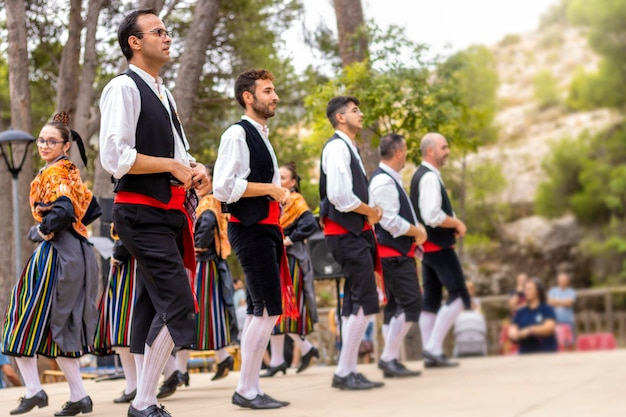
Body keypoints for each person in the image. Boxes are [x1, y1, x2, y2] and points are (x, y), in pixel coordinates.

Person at [99, 9, 210, 417]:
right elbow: (115, 157)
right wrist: (170, 166)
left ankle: (143, 399)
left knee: (150, 307)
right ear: (134, 41)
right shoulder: (122, 88)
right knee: (178, 302)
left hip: (169, 213)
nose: (166, 37)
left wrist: (196, 169)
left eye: (166, 31)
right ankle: (143, 402)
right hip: (140, 213)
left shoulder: (164, 92)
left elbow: (178, 153)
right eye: (158, 31)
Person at [2, 112, 101, 416]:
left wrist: (43, 230)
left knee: (20, 322)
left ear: (66, 145)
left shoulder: (55, 174)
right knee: (58, 325)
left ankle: (34, 391)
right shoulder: (68, 172)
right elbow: (91, 207)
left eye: (51, 141)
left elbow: (65, 209)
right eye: (42, 140)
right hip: (76, 251)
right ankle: (79, 396)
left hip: (57, 253)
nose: (44, 145)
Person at [213, 68, 292, 410]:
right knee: (266, 310)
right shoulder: (236, 134)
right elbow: (223, 187)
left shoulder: (259, 134)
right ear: (248, 96)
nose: (275, 96)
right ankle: (246, 389)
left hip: (265, 226)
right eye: (268, 90)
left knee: (263, 310)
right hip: (251, 227)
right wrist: (273, 190)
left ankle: (249, 387)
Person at [319, 95, 384, 391]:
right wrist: (370, 212)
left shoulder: (349, 148)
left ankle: (348, 369)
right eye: (355, 110)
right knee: (364, 302)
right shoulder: (336, 147)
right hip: (346, 234)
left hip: (352, 234)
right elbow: (339, 196)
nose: (361, 114)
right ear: (341, 117)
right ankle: (345, 372)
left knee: (354, 303)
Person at [157, 164, 237, 399]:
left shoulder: (208, 204)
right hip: (208, 263)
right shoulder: (209, 202)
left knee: (196, 312)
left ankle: (183, 370)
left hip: (203, 263)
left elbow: (204, 230)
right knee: (201, 314)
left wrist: (195, 247)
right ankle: (215, 360)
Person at [410, 132, 470, 368]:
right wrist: (456, 223)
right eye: (444, 147)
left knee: (431, 300)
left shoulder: (423, 176)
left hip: (429, 247)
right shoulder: (429, 178)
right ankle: (433, 347)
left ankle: (428, 352)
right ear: (430, 151)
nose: (448, 151)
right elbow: (432, 215)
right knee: (459, 294)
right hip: (438, 246)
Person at [369, 133, 427, 378]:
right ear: (399, 152)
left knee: (394, 305)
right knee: (412, 302)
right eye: (406, 150)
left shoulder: (390, 179)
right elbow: (390, 221)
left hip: (396, 251)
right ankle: (388, 358)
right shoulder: (383, 182)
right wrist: (417, 232)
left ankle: (391, 360)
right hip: (392, 253)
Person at [262, 162, 320, 377]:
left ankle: (289, 355)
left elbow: (310, 224)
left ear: (294, 182)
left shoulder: (295, 200)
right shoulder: (277, 200)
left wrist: (289, 239)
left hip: (291, 259)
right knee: (276, 306)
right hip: (277, 258)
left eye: (285, 177)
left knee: (286, 305)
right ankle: (290, 355)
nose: (281, 181)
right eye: (278, 177)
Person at [93, 225, 139, 404]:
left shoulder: (129, 202)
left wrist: (117, 254)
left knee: (123, 328)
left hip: (128, 270)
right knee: (131, 328)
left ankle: (134, 385)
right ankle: (138, 384)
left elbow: (126, 233)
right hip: (139, 265)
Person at [508, 278, 558, 354]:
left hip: (545, 352)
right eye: (525, 289)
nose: (526, 292)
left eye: (529, 289)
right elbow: (513, 327)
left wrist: (530, 330)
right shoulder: (520, 311)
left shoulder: (546, 308)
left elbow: (550, 327)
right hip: (525, 354)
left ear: (538, 291)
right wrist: (514, 333)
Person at [548, 271, 577, 339]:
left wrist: (556, 303)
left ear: (568, 281)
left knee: (570, 343)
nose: (562, 281)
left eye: (564, 280)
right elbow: (550, 302)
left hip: (568, 322)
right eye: (561, 279)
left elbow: (569, 303)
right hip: (555, 322)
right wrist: (564, 303)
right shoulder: (553, 291)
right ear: (558, 281)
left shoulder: (571, 291)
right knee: (557, 342)